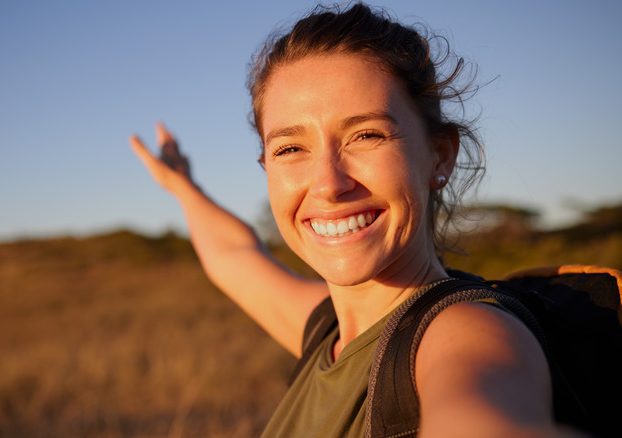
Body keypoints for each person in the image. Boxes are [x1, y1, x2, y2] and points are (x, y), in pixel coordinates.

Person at [130, 3, 590, 437]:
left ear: (439, 154)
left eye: (366, 135)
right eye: (290, 148)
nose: (328, 183)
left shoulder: (465, 332)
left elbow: (483, 417)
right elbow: (234, 256)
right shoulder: (327, 330)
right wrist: (182, 187)